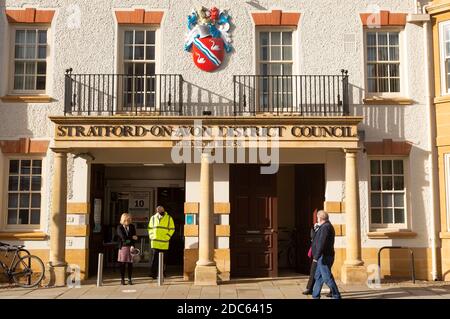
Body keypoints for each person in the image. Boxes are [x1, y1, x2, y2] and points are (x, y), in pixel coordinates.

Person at [311, 210, 341, 299]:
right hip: (323, 256)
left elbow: (321, 243)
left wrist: (316, 256)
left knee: (327, 277)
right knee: (319, 276)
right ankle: (315, 295)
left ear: (320, 218)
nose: (317, 219)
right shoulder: (324, 226)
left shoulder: (325, 227)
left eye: (317, 218)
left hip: (324, 256)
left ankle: (336, 295)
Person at [148, 205, 175, 279]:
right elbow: (150, 228)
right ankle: (153, 273)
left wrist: (167, 237)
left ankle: (162, 273)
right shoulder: (153, 218)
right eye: (159, 210)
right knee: (154, 259)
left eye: (162, 210)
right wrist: (152, 236)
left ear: (164, 210)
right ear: (157, 211)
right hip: (155, 242)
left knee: (164, 260)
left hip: (164, 242)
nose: (160, 212)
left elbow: (172, 229)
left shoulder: (169, 218)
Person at [117, 213, 138, 285]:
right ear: (124, 220)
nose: (129, 221)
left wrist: (132, 243)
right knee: (122, 264)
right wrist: (131, 238)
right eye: (127, 219)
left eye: (129, 219)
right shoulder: (119, 228)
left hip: (131, 247)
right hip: (123, 247)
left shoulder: (132, 226)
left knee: (130, 264)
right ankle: (122, 279)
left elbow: (135, 237)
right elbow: (123, 239)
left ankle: (129, 279)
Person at [302, 220, 320, 295]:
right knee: (314, 272)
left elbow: (320, 242)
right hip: (316, 253)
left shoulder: (324, 228)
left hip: (320, 254)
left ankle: (334, 291)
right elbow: (313, 238)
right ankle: (310, 289)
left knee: (326, 275)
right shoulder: (315, 227)